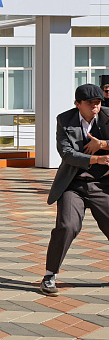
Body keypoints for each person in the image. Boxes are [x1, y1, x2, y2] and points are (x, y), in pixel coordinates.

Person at [40, 83, 109, 296]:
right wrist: (96, 159)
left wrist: (103, 144)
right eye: (90, 103)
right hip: (73, 184)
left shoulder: (108, 116)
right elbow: (66, 153)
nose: (95, 106)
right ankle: (49, 276)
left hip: (103, 185)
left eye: (98, 102)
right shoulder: (65, 119)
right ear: (77, 104)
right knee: (67, 226)